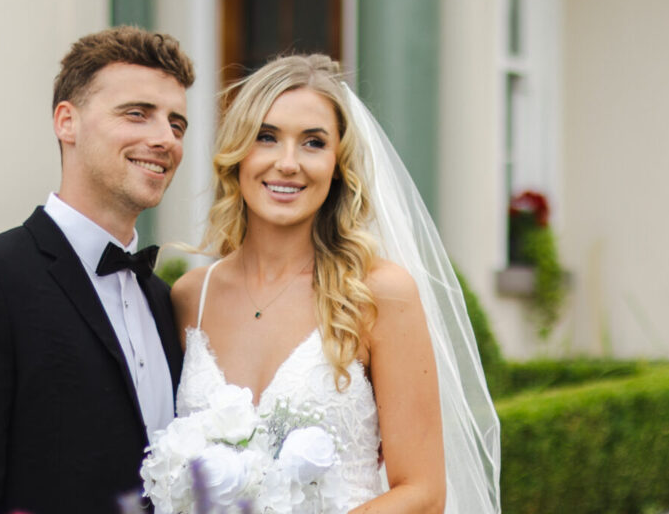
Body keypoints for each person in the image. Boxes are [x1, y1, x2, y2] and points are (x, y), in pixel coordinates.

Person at [158, 54, 499, 512]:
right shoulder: (190, 298)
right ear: (238, 152)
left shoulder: (379, 293)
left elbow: (422, 493)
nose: (288, 163)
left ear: (338, 164)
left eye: (313, 143)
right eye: (266, 137)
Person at [0, 26, 195, 514]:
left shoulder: (165, 299)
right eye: (137, 114)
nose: (164, 138)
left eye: (176, 124)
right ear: (67, 121)